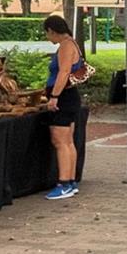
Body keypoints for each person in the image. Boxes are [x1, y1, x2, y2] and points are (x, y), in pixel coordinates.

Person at [41, 14, 85, 200]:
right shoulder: (72, 43)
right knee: (67, 141)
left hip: (64, 97)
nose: (47, 38)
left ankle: (64, 182)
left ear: (52, 31)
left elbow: (64, 72)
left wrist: (54, 96)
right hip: (69, 97)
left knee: (60, 140)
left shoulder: (66, 46)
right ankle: (71, 180)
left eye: (47, 34)